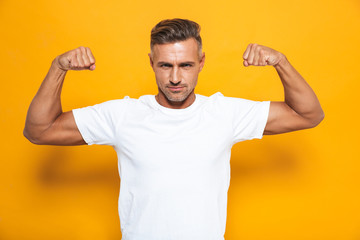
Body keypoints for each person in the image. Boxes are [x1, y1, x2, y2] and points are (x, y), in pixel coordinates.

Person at [23, 18, 324, 240]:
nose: (176, 78)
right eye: (166, 66)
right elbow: (40, 130)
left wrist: (281, 62)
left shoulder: (223, 112)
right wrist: (58, 68)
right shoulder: (124, 115)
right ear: (151, 62)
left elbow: (307, 114)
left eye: (186, 65)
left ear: (201, 62)